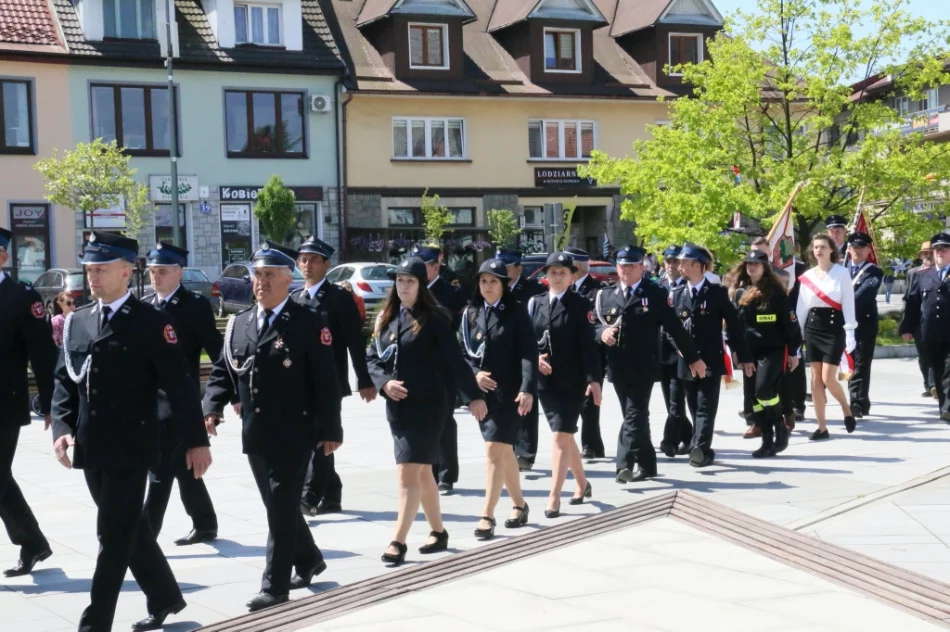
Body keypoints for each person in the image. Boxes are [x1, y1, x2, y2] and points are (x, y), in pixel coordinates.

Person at [51, 231, 212, 632]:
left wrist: (196, 441)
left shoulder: (152, 323)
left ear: (126, 272)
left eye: (101, 268)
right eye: (90, 268)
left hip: (133, 447)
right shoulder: (79, 321)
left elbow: (180, 386)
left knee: (111, 535)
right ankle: (165, 596)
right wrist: (62, 426)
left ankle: (95, 623)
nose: (93, 276)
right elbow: (63, 382)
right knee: (130, 530)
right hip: (90, 447)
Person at [203, 242, 342, 612]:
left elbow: (326, 381)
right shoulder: (242, 321)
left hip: (296, 431)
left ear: (286, 279)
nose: (260, 282)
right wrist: (211, 405)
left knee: (280, 508)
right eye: (257, 276)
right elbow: (223, 370)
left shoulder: (307, 321)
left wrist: (331, 430)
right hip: (256, 432)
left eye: (268, 276)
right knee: (276, 506)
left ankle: (275, 586)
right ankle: (309, 559)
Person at [367, 257, 485, 565]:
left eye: (410, 281)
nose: (404, 286)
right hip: (399, 410)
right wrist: (384, 384)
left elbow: (455, 361)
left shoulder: (434, 319)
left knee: (408, 473)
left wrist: (473, 396)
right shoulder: (387, 318)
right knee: (422, 474)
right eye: (400, 281)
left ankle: (398, 540)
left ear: (421, 285)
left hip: (429, 408)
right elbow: (372, 359)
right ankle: (439, 532)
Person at [594, 245, 703, 482]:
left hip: (644, 366)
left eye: (631, 266)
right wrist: (602, 333)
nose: (625, 270)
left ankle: (623, 465)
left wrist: (693, 358)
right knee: (634, 416)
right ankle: (648, 464)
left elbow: (674, 328)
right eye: (622, 266)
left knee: (634, 415)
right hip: (617, 367)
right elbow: (594, 326)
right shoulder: (605, 295)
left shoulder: (653, 293)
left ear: (642, 268)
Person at [140, 243, 222, 547]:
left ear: (179, 272)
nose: (155, 277)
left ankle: (143, 539)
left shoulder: (194, 306)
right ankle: (205, 523)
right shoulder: (145, 305)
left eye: (162, 271)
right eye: (152, 271)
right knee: (184, 469)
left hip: (178, 405)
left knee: (159, 473)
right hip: (149, 405)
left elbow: (217, 354)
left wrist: (216, 399)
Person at [293, 237, 376, 517]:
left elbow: (355, 341)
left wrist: (363, 379)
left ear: (327, 264)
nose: (307, 265)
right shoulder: (295, 299)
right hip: (301, 384)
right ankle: (332, 491)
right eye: (303, 259)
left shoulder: (339, 298)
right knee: (310, 439)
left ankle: (309, 495)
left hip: (330, 381)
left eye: (314, 259)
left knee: (322, 439)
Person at [460, 259, 536, 539]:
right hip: (483, 396)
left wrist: (528, 388)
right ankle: (519, 504)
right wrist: (475, 375)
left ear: (504, 285)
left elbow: (528, 352)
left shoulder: (516, 312)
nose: (488, 287)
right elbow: (461, 356)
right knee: (504, 453)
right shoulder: (470, 313)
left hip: (511, 395)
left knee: (493, 450)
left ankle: (487, 515)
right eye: (483, 281)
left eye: (493, 281)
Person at [0, 227, 56, 579]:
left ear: (3, 257)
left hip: (4, 403)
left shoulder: (21, 296)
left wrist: (52, 403)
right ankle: (33, 542)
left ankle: (32, 541)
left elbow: (43, 355)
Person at [527, 252, 601, 517]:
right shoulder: (535, 304)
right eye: (553, 272)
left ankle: (554, 496)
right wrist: (535, 360)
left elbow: (589, 347)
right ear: (545, 276)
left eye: (563, 272)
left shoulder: (581, 305)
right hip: (545, 383)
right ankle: (582, 483)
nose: (557, 277)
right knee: (566, 438)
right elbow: (527, 341)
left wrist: (594, 380)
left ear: (573, 276)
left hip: (573, 382)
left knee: (560, 436)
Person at [670, 243, 753, 467]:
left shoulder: (716, 293)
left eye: (685, 263)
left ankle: (700, 447)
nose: (680, 267)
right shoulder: (677, 293)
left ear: (698, 265)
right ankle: (701, 447)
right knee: (694, 406)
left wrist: (744, 357)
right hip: (685, 361)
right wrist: (678, 348)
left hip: (710, 360)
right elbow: (670, 328)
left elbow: (734, 326)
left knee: (706, 406)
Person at [730, 251, 802, 458]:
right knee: (754, 398)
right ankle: (767, 440)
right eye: (749, 264)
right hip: (749, 353)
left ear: (765, 267)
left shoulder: (776, 292)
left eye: (757, 264)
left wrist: (794, 351)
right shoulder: (740, 293)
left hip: (772, 350)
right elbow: (735, 327)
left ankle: (780, 425)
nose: (752, 267)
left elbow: (791, 324)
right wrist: (736, 350)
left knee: (764, 391)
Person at [411, 244, 466, 494]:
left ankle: (447, 474)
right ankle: (429, 471)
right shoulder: (411, 291)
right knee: (422, 421)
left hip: (443, 365)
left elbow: (458, 329)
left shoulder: (450, 293)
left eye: (423, 266)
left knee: (444, 420)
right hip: (418, 367)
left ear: (435, 266)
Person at [796, 234, 858, 440]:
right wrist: (797, 333)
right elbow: (802, 307)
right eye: (815, 247)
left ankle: (845, 408)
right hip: (813, 327)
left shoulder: (841, 273)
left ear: (831, 249)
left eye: (822, 246)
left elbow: (849, 303)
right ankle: (821, 427)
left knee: (827, 378)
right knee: (814, 378)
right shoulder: (808, 276)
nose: (818, 250)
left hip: (834, 328)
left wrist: (850, 330)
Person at [496, 247, 546, 472]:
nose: (501, 271)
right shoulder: (496, 290)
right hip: (504, 356)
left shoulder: (533, 290)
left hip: (527, 352)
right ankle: (509, 448)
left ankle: (525, 453)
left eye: (505, 266)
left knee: (527, 403)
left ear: (518, 268)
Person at [900, 232, 950, 422]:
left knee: (949, 370)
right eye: (936, 249)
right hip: (930, 331)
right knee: (937, 370)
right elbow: (913, 303)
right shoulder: (922, 275)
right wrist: (906, 327)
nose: (939, 253)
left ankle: (948, 408)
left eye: (944, 249)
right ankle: (944, 408)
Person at [565, 247, 607, 461]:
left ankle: (591, 445)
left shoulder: (597, 290)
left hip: (592, 353)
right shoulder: (565, 290)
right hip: (569, 355)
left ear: (579, 269)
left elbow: (600, 321)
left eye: (568, 268)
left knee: (590, 401)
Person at [656, 245, 692, 456]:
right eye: (667, 261)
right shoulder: (658, 287)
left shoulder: (688, 287)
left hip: (680, 352)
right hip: (661, 352)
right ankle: (688, 437)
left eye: (674, 262)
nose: (670, 266)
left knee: (676, 400)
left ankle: (669, 440)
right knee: (670, 401)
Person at [846, 232, 883, 418]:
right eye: (853, 247)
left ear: (869, 250)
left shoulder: (874, 271)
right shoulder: (841, 269)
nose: (857, 251)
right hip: (843, 325)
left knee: (860, 364)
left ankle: (858, 403)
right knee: (847, 364)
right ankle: (857, 400)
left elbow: (864, 294)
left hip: (863, 325)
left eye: (861, 247)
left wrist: (841, 302)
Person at [905, 241, 936, 398]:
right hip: (918, 322)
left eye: (931, 252)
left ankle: (934, 385)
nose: (928, 255)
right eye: (925, 253)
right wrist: (906, 326)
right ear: (921, 255)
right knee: (923, 356)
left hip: (938, 322)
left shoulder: (943, 272)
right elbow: (909, 299)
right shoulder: (913, 273)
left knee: (934, 354)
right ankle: (928, 385)